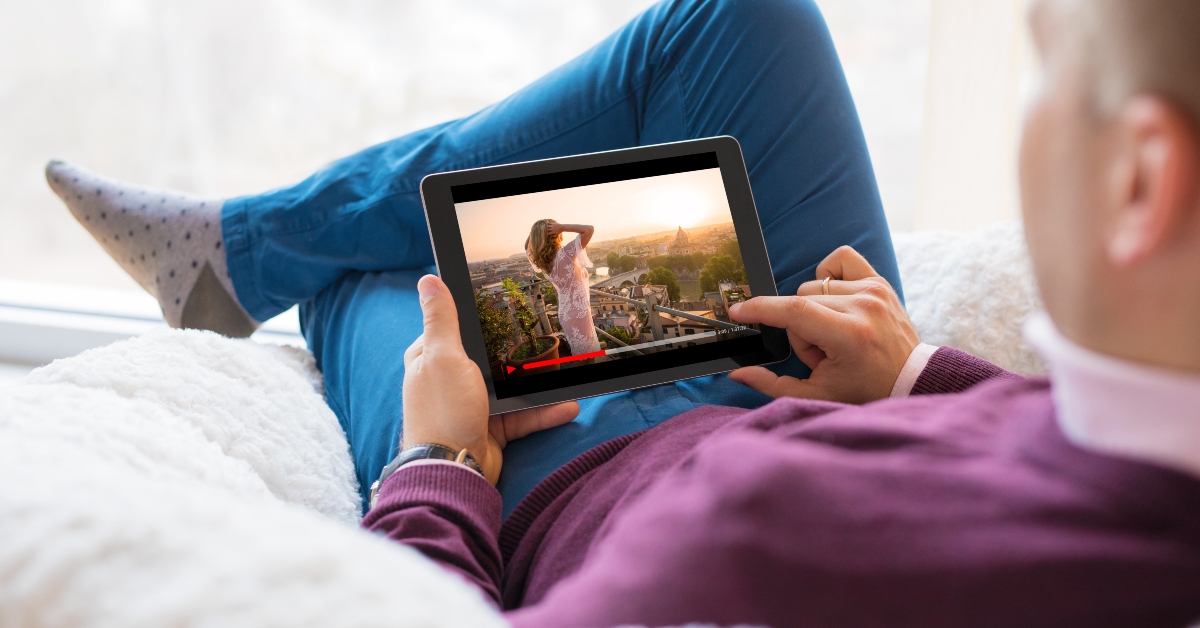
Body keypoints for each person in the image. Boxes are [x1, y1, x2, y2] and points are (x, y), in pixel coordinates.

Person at [46, 0, 1200, 625]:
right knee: (745, 20)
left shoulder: (755, 539)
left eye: (1045, 65)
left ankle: (249, 256)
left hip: (560, 487)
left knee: (376, 284)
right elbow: (1063, 467)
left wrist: (439, 460)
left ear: (1140, 180)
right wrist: (916, 373)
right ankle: (244, 250)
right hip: (816, 382)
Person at [524, 219, 600, 356]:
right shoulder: (567, 253)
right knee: (585, 356)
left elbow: (526, 247)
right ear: (554, 233)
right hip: (579, 313)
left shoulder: (542, 261)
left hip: (565, 313)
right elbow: (589, 229)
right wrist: (562, 227)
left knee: (584, 355)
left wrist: (536, 233)